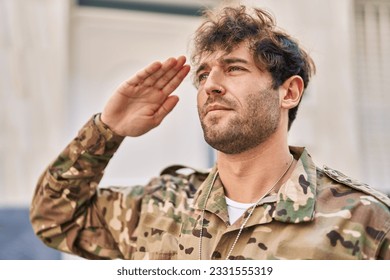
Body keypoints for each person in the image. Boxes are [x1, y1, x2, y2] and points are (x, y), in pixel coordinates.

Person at [30, 5, 390, 260]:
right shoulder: (158, 206)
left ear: (289, 92)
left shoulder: (364, 220)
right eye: (202, 75)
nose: (210, 86)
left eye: (234, 69)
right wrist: (105, 131)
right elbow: (54, 218)